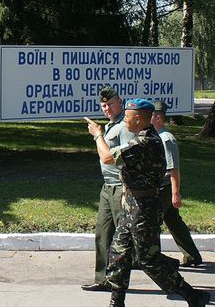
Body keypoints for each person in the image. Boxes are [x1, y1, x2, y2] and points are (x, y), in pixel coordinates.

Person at [85, 98, 210, 307]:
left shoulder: (145, 142)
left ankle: (192, 296)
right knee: (119, 253)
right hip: (132, 203)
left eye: (127, 118)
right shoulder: (140, 138)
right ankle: (117, 301)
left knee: (148, 260)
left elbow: (107, 158)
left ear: (138, 119)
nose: (124, 122)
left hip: (143, 208)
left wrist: (98, 135)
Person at [81, 85, 135, 292]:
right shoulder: (111, 126)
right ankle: (103, 279)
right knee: (102, 234)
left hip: (122, 188)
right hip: (107, 188)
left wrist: (97, 135)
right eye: (103, 105)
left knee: (126, 238)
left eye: (110, 104)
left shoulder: (125, 127)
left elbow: (116, 159)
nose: (107, 108)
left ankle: (163, 271)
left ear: (120, 102)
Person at [151, 101, 203, 267]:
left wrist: (175, 193)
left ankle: (154, 259)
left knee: (153, 222)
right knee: (174, 222)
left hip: (164, 188)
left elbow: (173, 168)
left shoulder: (166, 139)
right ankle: (192, 256)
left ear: (158, 117)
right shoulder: (156, 136)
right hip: (162, 187)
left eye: (150, 115)